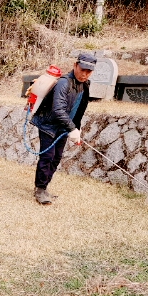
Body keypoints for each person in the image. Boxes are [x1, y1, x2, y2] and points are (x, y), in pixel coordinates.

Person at [30, 52, 97, 205]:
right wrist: (72, 129)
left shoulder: (85, 85)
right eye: (82, 69)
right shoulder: (63, 83)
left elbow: (79, 109)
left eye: (89, 71)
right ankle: (40, 189)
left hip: (63, 127)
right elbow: (58, 110)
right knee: (47, 157)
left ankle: (44, 187)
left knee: (56, 158)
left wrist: (76, 129)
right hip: (48, 125)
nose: (85, 74)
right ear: (75, 66)